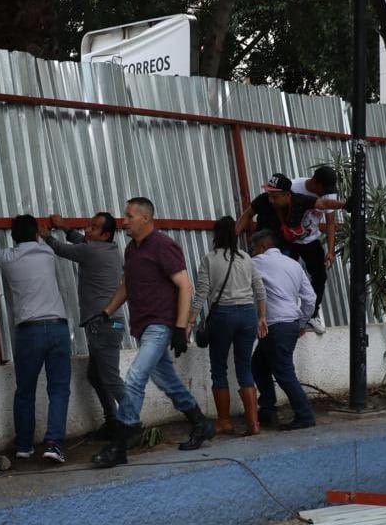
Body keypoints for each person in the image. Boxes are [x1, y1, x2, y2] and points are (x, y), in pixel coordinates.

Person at [89, 197, 215, 468]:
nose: (124, 221)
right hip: (142, 326)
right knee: (167, 381)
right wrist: (106, 312)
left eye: (129, 216)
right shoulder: (132, 250)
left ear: (146, 218)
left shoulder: (164, 245)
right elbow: (126, 285)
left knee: (135, 377)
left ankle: (121, 442)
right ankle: (200, 423)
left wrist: (181, 327)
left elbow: (185, 286)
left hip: (160, 325)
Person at [0, 213, 71, 464]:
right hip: (58, 327)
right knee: (59, 389)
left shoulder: (8, 258)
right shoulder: (48, 254)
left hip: (30, 332)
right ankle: (53, 444)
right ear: (37, 235)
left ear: (13, 236)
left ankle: (24, 445)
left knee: (25, 391)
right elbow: (46, 241)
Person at [41, 212, 125, 440]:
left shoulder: (90, 251)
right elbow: (80, 242)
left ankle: (133, 423)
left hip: (103, 324)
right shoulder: (110, 248)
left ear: (105, 235)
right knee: (97, 377)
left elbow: (64, 250)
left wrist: (47, 236)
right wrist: (66, 227)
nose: (88, 230)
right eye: (89, 225)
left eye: (94, 228)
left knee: (110, 378)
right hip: (109, 323)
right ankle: (114, 422)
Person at [235, 173, 346, 335]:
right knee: (249, 277)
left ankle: (298, 317)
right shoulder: (263, 199)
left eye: (275, 196)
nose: (271, 199)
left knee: (292, 280)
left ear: (287, 195)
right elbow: (247, 214)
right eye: (269, 195)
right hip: (261, 247)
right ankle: (246, 315)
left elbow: (322, 203)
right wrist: (233, 236)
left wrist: (344, 205)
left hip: (283, 247)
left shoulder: (299, 200)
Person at [186, 216, 267, 436]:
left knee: (219, 368)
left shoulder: (210, 259)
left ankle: (224, 421)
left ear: (216, 235)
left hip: (223, 315)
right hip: (248, 314)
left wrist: (191, 321)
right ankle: (254, 423)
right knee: (244, 368)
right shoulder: (246, 258)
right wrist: (262, 317)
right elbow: (259, 289)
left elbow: (202, 292)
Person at [249, 229, 317, 431]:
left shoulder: (256, 262)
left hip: (274, 324)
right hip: (290, 322)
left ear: (262, 247)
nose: (252, 252)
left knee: (284, 372)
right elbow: (310, 298)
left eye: (254, 248)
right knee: (259, 365)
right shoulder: (294, 265)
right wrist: (302, 322)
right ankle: (268, 408)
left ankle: (304, 414)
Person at [289, 166, 339, 334]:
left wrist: (331, 250)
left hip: (311, 240)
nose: (326, 194)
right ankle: (287, 315)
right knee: (287, 276)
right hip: (290, 240)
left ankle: (312, 315)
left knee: (320, 275)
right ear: (315, 182)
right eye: (323, 189)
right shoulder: (294, 186)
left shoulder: (328, 193)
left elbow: (331, 223)